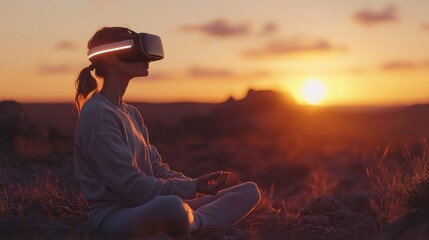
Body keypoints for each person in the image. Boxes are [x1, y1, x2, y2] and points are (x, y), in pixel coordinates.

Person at [73, 26, 261, 238]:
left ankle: (190, 220)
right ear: (109, 59)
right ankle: (196, 221)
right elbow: (131, 187)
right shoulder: (98, 114)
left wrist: (195, 184)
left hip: (148, 204)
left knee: (248, 191)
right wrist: (187, 190)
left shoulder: (130, 112)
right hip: (114, 216)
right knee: (171, 206)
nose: (146, 59)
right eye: (133, 48)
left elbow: (156, 168)